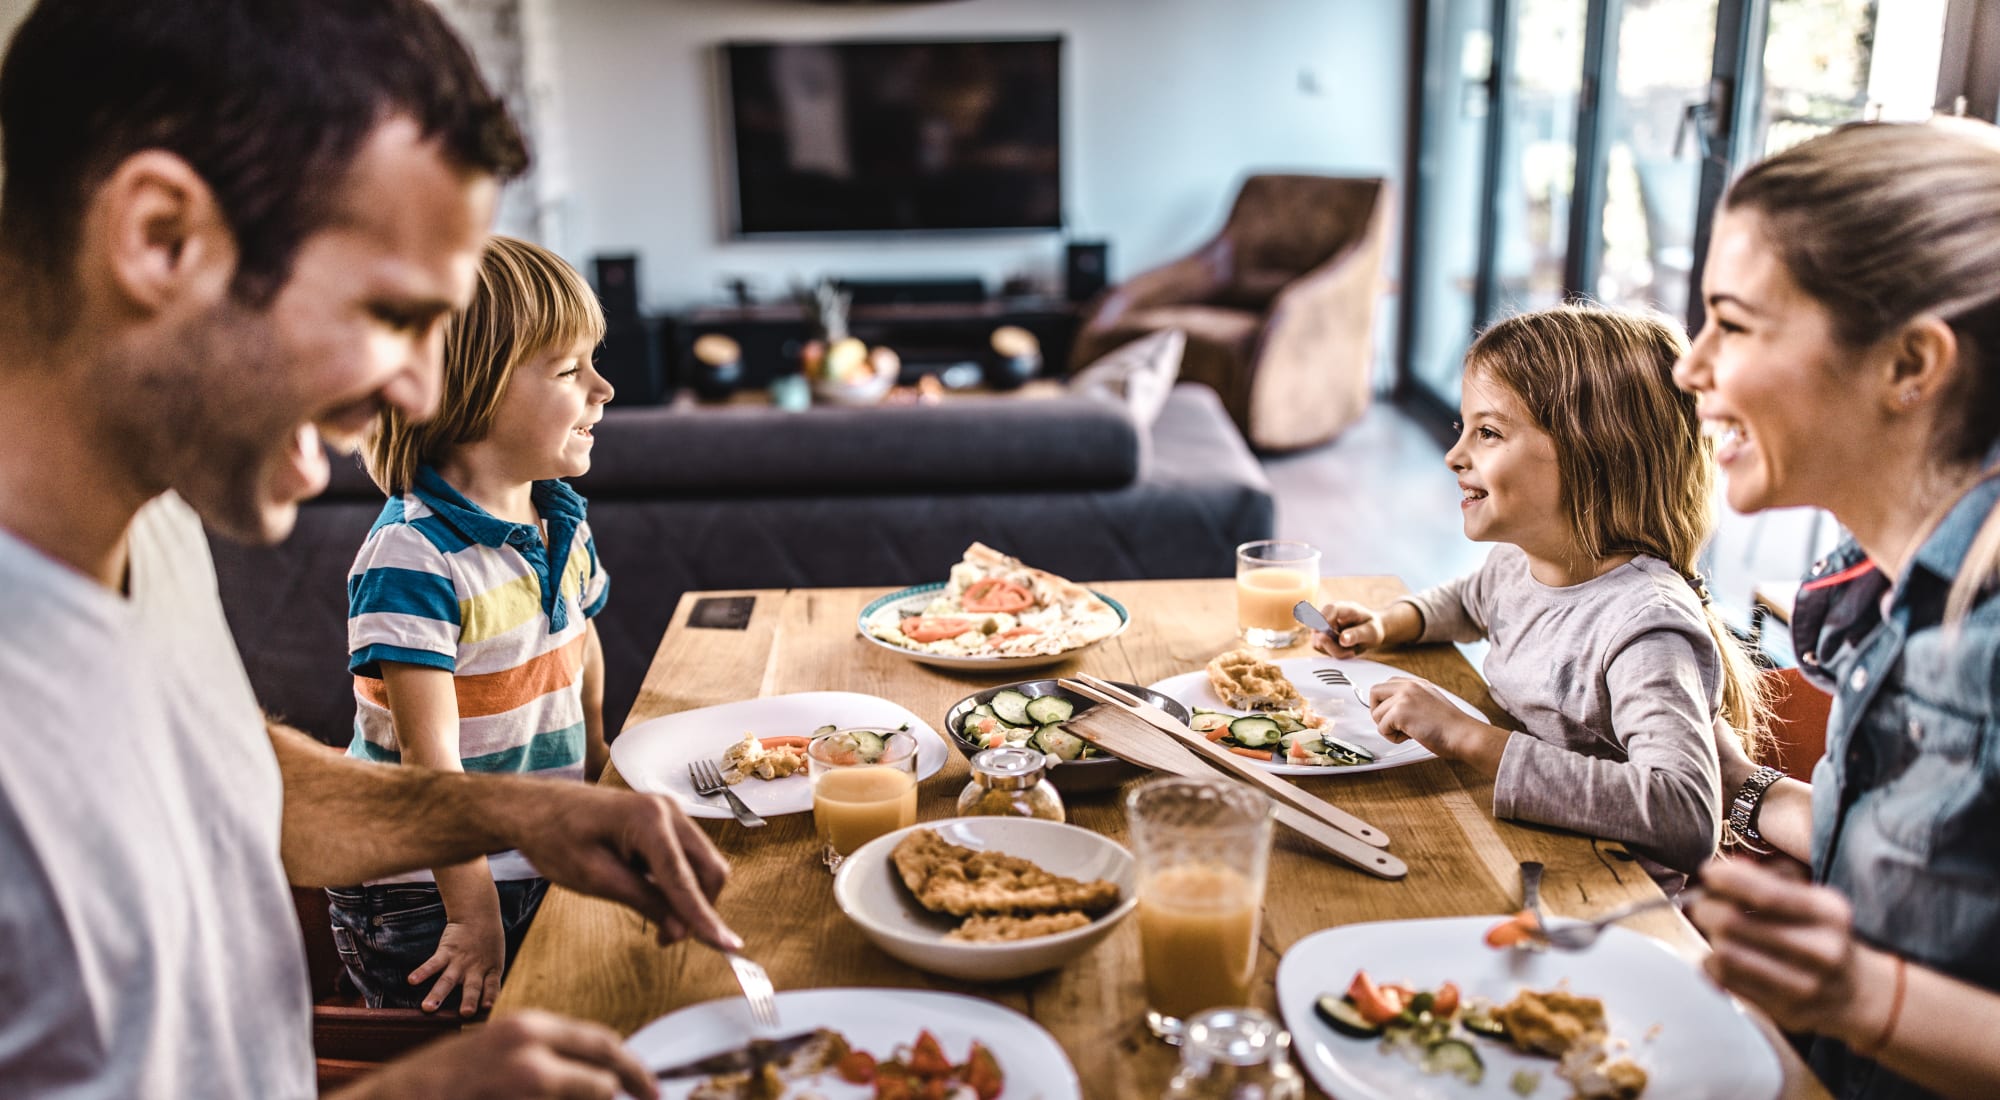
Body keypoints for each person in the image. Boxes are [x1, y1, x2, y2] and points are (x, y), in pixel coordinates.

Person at [0, 2, 735, 1098]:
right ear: (161, 239)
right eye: (390, 311)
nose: (422, 392)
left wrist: (521, 809)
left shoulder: (147, 513)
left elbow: (222, 774)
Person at [1675, 119, 2000, 1100]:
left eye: (1730, 324)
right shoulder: (1888, 590)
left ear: (1908, 365)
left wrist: (1862, 993)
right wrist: (1741, 793)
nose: (1690, 366)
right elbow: (1943, 855)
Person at [1310, 306, 1766, 884]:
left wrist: (1470, 738)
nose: (1455, 457)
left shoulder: (1644, 625)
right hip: (1519, 849)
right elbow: (1470, 600)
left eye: (1490, 432)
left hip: (1606, 900)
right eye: (1464, 429)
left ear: (1595, 455)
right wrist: (1387, 624)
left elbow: (1684, 814)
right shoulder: (1519, 564)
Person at [328, 236, 616, 1015]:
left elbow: (577, 645)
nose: (605, 388)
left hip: (531, 852)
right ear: (471, 391)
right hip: (429, 891)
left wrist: (597, 768)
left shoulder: (558, 516)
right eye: (569, 371)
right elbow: (431, 761)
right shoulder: (414, 555)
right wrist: (471, 910)